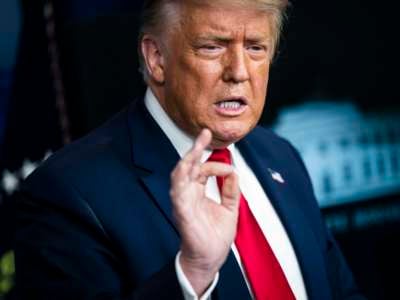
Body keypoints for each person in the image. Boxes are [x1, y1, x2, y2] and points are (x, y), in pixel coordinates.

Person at [15, 0, 365, 299]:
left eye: (255, 47)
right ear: (157, 59)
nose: (239, 72)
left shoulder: (281, 156)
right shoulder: (67, 193)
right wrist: (192, 274)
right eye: (213, 46)